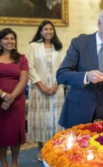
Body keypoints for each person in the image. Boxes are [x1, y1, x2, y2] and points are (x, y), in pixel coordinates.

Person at [57, 8, 103, 128]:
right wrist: (86, 76)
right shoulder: (79, 44)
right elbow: (61, 75)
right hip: (78, 110)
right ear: (99, 23)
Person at [27, 20, 65, 161]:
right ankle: (40, 148)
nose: (49, 31)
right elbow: (30, 67)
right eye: (45, 29)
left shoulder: (59, 47)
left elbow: (63, 68)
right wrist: (42, 85)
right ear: (41, 31)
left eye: (51, 29)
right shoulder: (34, 46)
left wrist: (56, 84)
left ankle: (54, 148)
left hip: (56, 87)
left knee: (55, 119)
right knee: (41, 119)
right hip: (38, 88)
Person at [0, 28, 29, 167]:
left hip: (17, 100)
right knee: (1, 132)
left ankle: (14, 162)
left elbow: (23, 80)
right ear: (0, 41)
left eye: (12, 38)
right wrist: (4, 96)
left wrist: (10, 98)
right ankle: (3, 162)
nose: (9, 41)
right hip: (0, 99)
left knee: (16, 132)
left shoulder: (21, 58)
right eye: (6, 38)